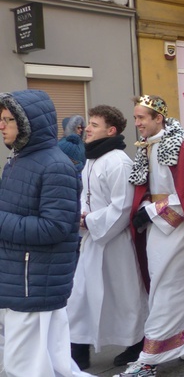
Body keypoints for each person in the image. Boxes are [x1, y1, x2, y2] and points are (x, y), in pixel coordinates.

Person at [122, 95, 184, 377]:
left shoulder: (183, 147)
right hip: (159, 226)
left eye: (142, 117)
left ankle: (149, 359)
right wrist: (145, 209)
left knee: (168, 288)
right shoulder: (146, 147)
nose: (137, 123)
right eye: (135, 118)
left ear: (159, 118)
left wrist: (153, 210)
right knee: (180, 286)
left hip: (179, 229)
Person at [0, 90, 89, 377]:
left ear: (29, 123)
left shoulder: (56, 166)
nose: (1, 126)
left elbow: (56, 227)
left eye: (8, 119)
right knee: (50, 366)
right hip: (19, 280)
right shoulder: (17, 161)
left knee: (26, 369)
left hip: (35, 283)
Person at [68, 105, 148, 371]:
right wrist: (81, 216)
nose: (87, 129)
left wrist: (89, 221)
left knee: (123, 295)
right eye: (88, 124)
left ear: (110, 131)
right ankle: (78, 349)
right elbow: (85, 196)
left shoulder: (118, 161)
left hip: (114, 242)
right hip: (93, 239)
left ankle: (136, 343)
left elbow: (123, 207)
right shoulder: (91, 159)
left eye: (94, 124)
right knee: (80, 295)